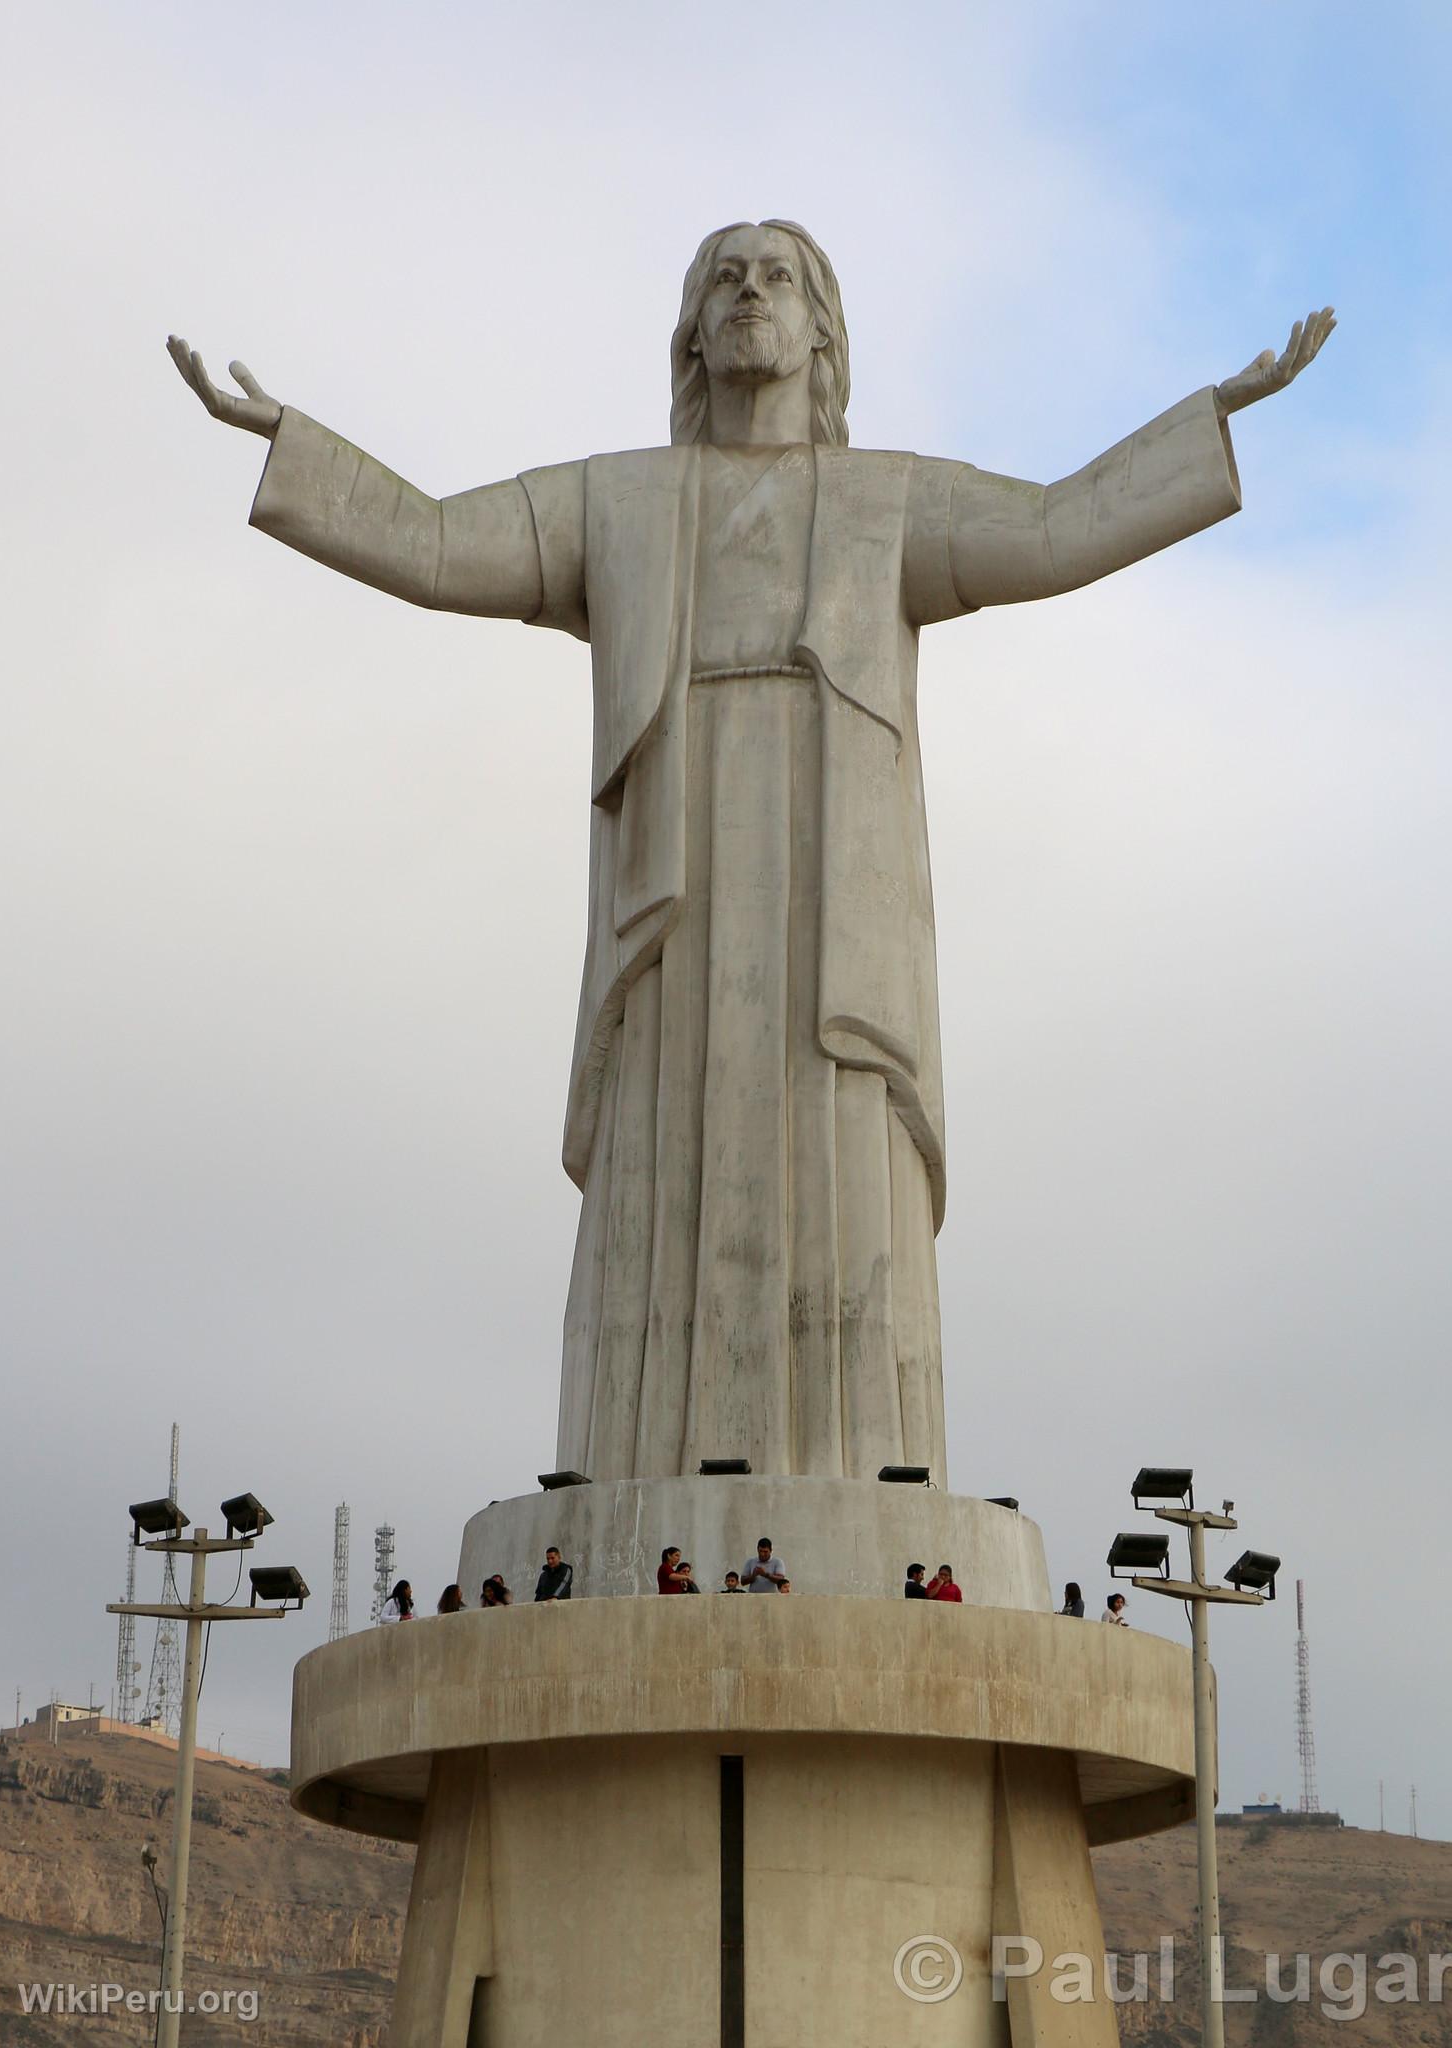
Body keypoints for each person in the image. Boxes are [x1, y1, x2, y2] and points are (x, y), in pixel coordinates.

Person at [169, 224, 1331, 1495]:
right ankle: (637, 1454)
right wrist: (293, 442)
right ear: (690, 333)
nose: (748, 295)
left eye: (777, 276)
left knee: (838, 1117)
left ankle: (861, 1458)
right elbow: (444, 544)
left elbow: (1054, 530)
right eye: (723, 278)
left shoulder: (891, 500)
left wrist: (1211, 416)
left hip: (839, 869)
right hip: (677, 868)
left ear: (824, 330)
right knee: (665, 1136)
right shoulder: (618, 500)